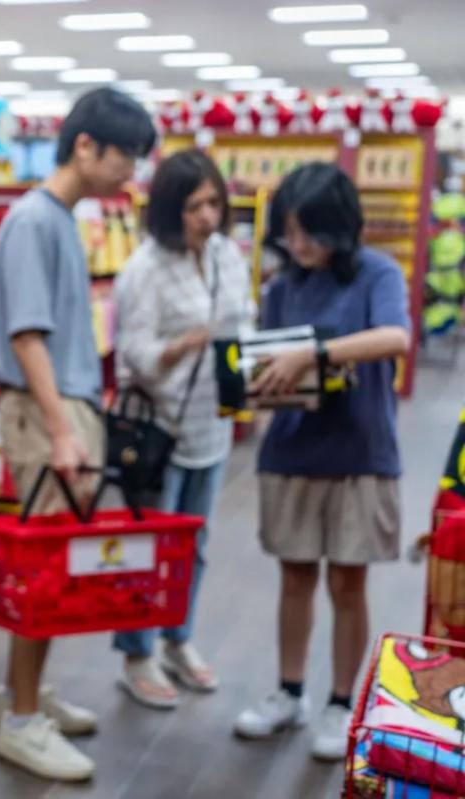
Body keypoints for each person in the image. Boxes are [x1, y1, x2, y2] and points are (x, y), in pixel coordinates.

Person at [0, 87, 156, 781]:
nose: (131, 172)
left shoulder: (55, 217)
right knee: (46, 565)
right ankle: (23, 719)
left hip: (61, 405)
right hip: (45, 409)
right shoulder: (34, 220)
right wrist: (62, 429)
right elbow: (27, 336)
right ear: (85, 145)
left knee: (52, 560)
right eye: (125, 156)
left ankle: (21, 695)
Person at [232, 163, 410, 761]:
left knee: (348, 583)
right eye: (289, 231)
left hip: (361, 453)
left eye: (309, 230)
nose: (298, 243)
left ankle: (340, 702)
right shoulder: (284, 287)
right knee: (296, 576)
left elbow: (395, 338)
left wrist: (314, 354)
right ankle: (288, 693)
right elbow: (267, 361)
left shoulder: (378, 273)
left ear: (339, 225)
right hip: (293, 450)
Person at [111, 149, 254, 708]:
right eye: (195, 206)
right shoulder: (145, 268)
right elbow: (134, 353)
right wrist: (180, 346)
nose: (207, 217)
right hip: (158, 429)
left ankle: (178, 638)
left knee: (195, 544)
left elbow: (243, 321)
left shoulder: (226, 256)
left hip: (210, 424)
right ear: (171, 209)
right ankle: (136, 653)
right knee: (148, 545)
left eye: (214, 203)